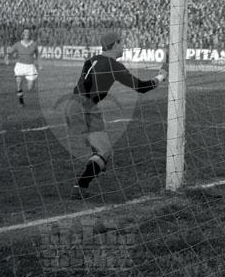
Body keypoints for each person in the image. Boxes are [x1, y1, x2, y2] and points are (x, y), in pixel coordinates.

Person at [69, 30, 168, 200]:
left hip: (76, 105)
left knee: (101, 153)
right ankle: (81, 186)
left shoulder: (91, 60)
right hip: (86, 108)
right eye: (121, 43)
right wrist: (161, 76)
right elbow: (141, 87)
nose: (123, 46)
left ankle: (93, 166)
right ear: (114, 44)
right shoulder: (113, 66)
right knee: (104, 153)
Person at [5, 28, 39, 104]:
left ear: (30, 34)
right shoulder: (17, 44)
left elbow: (37, 55)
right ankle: (21, 100)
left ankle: (29, 83)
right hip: (20, 66)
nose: (27, 33)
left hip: (30, 67)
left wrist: (40, 64)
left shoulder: (34, 44)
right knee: (19, 83)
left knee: (30, 88)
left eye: (28, 32)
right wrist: (7, 58)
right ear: (23, 34)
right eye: (25, 32)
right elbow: (9, 53)